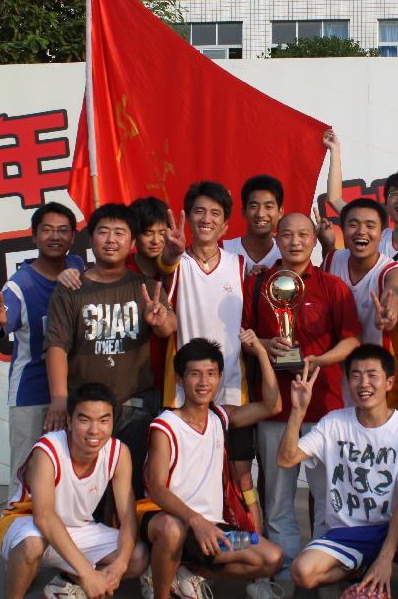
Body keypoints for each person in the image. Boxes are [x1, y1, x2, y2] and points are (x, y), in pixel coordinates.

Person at [242, 212, 363, 586]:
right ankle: (284, 575)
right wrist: (265, 345)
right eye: (288, 235)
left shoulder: (332, 285)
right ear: (276, 238)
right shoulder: (256, 284)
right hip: (275, 408)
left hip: (324, 407)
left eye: (303, 235)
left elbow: (352, 340)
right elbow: (242, 337)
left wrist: (319, 360)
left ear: (314, 240)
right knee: (278, 499)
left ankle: (321, 569)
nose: (295, 241)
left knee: (328, 498)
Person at [277, 345, 398, 599]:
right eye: (356, 375)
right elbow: (286, 460)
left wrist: (385, 558)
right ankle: (359, 568)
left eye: (372, 375)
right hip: (347, 531)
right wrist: (297, 412)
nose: (363, 383)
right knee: (302, 572)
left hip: (393, 526)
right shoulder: (334, 422)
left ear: (389, 383)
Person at [44, 203, 177, 501]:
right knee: (83, 492)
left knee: (131, 492)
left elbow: (170, 326)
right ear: (91, 239)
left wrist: (160, 320)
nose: (111, 240)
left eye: (120, 233)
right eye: (103, 232)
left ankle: (128, 534)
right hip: (86, 411)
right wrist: (59, 398)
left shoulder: (146, 287)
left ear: (132, 242)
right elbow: (56, 346)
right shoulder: (71, 288)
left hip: (134, 407)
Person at [141, 335, 284, 599]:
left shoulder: (220, 416)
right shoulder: (166, 425)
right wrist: (196, 521)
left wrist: (262, 353)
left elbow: (272, 405)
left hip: (212, 527)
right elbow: (158, 490)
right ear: (180, 379)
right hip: (166, 519)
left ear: (220, 377)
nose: (204, 382)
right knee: (173, 531)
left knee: (271, 558)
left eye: (211, 373)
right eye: (195, 374)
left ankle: (186, 572)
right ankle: (160, 590)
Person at [158, 181, 263, 535]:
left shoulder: (239, 265)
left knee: (242, 475)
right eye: (199, 212)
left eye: (215, 213)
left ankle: (254, 545)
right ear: (188, 218)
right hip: (184, 391)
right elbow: (165, 266)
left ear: (225, 225)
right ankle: (187, 549)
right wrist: (171, 253)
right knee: (183, 476)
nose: (206, 219)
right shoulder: (176, 262)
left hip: (232, 388)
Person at [0, 382, 149, 599]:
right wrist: (87, 573)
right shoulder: (48, 450)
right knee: (31, 545)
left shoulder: (118, 452)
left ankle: (66, 584)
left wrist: (120, 564)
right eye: (84, 420)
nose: (95, 430)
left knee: (138, 556)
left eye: (103, 420)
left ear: (113, 421)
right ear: (69, 421)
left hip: (76, 528)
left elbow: (128, 517)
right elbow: (44, 517)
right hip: (26, 524)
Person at [0, 202, 84, 492]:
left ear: (73, 237)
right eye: (47, 230)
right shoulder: (19, 286)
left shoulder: (78, 266)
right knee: (26, 477)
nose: (55, 236)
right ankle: (18, 523)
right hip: (32, 396)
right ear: (34, 236)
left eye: (63, 230)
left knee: (68, 475)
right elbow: (1, 320)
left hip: (74, 394)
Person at [321, 197, 398, 411]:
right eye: (353, 224)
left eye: (370, 226)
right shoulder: (331, 260)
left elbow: (395, 288)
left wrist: (390, 309)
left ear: (382, 233)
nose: (361, 231)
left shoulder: (392, 270)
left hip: (378, 377)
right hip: (339, 375)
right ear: (342, 229)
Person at [322, 129, 398, 270]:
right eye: (394, 193)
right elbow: (334, 199)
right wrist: (334, 150)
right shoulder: (376, 235)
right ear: (386, 202)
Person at [129, 196, 172, 390]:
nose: (156, 240)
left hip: (175, 379)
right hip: (133, 384)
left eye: (162, 233)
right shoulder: (119, 269)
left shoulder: (183, 267)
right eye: (148, 233)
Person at [225, 175, 284, 276]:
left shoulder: (286, 255)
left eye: (268, 207)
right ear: (244, 211)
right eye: (254, 206)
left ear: (280, 212)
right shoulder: (223, 250)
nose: (260, 214)